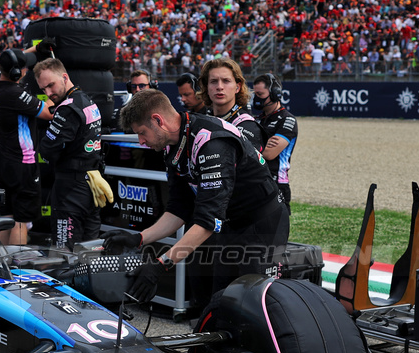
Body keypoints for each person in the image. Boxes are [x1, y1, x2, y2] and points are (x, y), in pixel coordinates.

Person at [108, 88, 288, 303]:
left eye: (142, 133)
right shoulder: (172, 144)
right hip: (231, 222)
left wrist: (161, 264)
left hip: (263, 223)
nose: (141, 142)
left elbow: (208, 220)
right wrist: (139, 238)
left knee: (254, 303)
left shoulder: (211, 142)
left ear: (158, 121)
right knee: (223, 300)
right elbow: (179, 207)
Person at [34, 57, 104, 248]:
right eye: (43, 90)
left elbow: (47, 149)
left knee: (66, 252)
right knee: (91, 250)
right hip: (92, 182)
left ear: (65, 77)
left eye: (51, 85)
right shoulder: (87, 100)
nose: (48, 93)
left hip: (71, 187)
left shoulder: (68, 108)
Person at [0, 48, 52, 246]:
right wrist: (54, 89)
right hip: (22, 164)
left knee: (7, 218)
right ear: (18, 72)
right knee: (22, 220)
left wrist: (34, 49)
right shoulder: (15, 94)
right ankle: (18, 269)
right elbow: (49, 112)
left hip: (3, 163)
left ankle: (5, 266)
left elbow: (7, 62)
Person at [252, 73, 298, 206]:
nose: (256, 98)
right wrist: (262, 143)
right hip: (255, 182)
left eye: (260, 94)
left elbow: (269, 154)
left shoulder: (287, 120)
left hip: (277, 184)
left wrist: (250, 141)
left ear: (275, 94)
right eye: (255, 94)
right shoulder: (256, 119)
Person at [201, 57, 263, 151]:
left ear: (237, 87)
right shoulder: (202, 120)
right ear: (207, 88)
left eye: (226, 81)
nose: (219, 87)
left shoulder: (247, 125)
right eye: (214, 81)